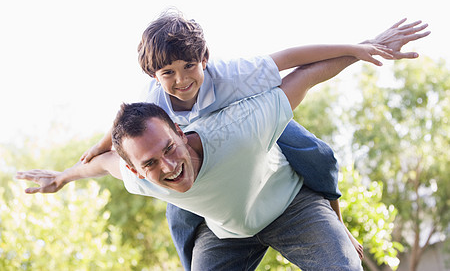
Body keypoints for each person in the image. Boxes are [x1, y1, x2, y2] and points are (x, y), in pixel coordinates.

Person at [17, 43, 421, 270]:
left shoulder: (240, 124)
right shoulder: (137, 162)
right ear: (135, 169)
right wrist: (62, 177)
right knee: (184, 226)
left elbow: (304, 73)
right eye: (151, 164)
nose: (169, 166)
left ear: (179, 129)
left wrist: (367, 47)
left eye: (169, 150)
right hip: (227, 233)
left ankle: (336, 220)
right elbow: (99, 164)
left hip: (291, 207)